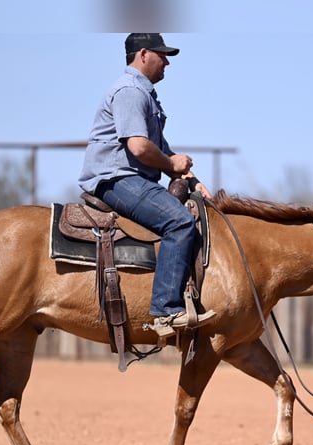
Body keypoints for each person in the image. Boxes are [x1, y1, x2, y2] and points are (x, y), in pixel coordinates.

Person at [78, 33, 216, 338]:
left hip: (130, 178)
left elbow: (161, 149)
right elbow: (140, 147)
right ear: (143, 54)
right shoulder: (130, 91)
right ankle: (166, 311)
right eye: (162, 55)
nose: (167, 61)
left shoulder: (145, 94)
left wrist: (193, 181)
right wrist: (172, 166)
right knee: (179, 221)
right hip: (116, 179)